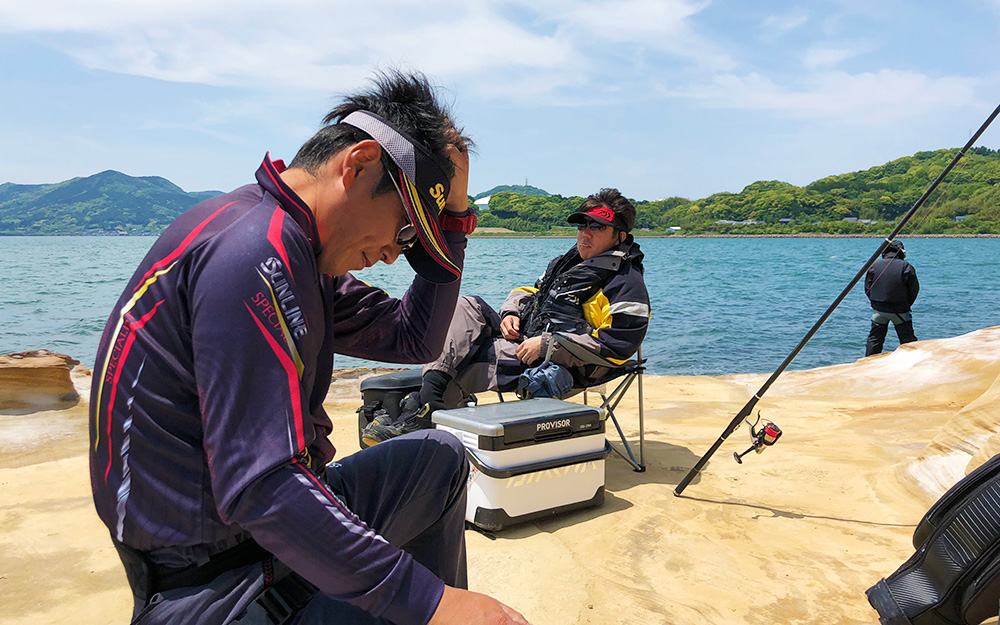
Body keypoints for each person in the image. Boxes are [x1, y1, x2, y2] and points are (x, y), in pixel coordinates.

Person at [89, 71, 530, 625]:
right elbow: (261, 486)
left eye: (415, 239)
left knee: (439, 459)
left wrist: (455, 220)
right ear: (359, 163)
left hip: (261, 533)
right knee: (433, 607)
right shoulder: (252, 255)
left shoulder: (293, 250)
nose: (397, 253)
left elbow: (414, 337)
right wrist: (430, 603)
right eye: (405, 226)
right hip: (216, 580)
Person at [362, 188, 650, 445]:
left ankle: (423, 412)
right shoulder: (568, 263)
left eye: (598, 227)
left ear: (619, 237)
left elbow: (618, 345)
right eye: (582, 225)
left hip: (563, 360)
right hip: (526, 335)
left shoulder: (625, 281)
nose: (585, 233)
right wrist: (510, 313)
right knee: (464, 304)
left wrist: (551, 344)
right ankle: (428, 406)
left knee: (470, 354)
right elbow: (531, 292)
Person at [864, 239, 920, 356]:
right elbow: (914, 290)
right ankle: (912, 363)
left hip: (878, 310)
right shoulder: (906, 266)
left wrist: (875, 303)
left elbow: (867, 288)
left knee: (875, 340)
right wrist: (906, 304)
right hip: (900, 311)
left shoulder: (874, 266)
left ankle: (868, 363)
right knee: (908, 341)